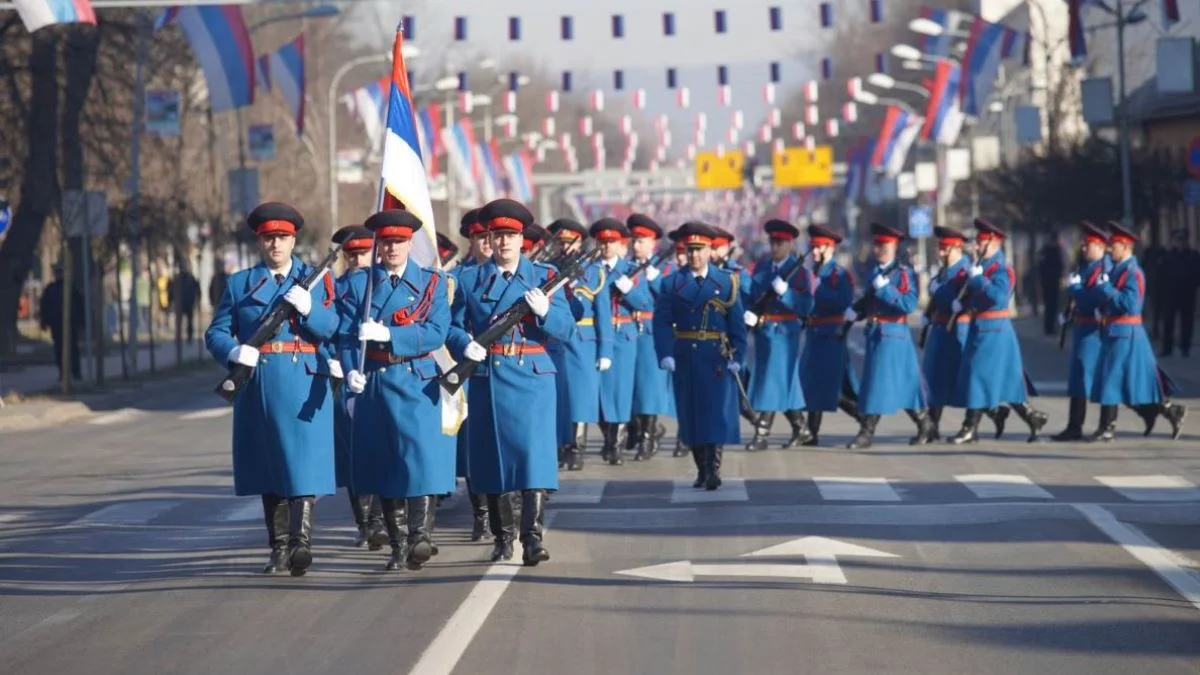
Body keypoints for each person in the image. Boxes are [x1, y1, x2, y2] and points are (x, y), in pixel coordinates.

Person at [204, 202, 339, 576]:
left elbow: (334, 328)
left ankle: (302, 543)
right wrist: (234, 350)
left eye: (282, 237)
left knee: (303, 466)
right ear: (260, 242)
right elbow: (215, 332)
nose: (275, 245)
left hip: (304, 377)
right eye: (268, 238)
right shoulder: (240, 283)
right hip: (260, 380)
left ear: (293, 239)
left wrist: (311, 308)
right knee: (270, 468)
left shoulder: (318, 280)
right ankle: (278, 547)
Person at [447, 198, 575, 565]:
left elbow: (565, 330)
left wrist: (547, 311)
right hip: (490, 375)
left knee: (533, 458)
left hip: (533, 376)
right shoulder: (469, 279)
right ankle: (503, 536)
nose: (503, 243)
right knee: (493, 460)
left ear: (523, 239)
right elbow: (452, 326)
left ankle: (532, 537)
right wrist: (465, 344)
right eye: (497, 235)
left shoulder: (545, 277)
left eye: (510, 235)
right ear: (488, 238)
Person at [338, 210, 453, 572]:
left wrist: (390, 335)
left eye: (399, 242)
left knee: (419, 462)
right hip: (374, 380)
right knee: (384, 465)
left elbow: (436, 331)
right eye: (385, 242)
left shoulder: (432, 283)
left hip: (416, 379)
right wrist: (350, 369)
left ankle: (420, 536)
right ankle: (399, 544)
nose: (392, 248)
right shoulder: (360, 285)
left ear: (409, 243)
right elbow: (343, 336)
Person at [654, 222, 747, 491]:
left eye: (700, 249)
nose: (694, 255)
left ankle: (713, 467)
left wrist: (738, 356)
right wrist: (665, 353)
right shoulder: (672, 282)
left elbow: (736, 324)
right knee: (691, 413)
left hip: (716, 356)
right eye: (690, 249)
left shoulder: (727, 281)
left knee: (714, 412)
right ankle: (701, 467)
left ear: (710, 251)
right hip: (686, 356)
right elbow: (661, 322)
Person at [948, 219, 1048, 444]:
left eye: (981, 242)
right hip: (981, 328)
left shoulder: (1002, 269)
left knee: (976, 375)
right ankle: (1032, 417)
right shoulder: (982, 267)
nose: (976, 247)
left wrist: (978, 280)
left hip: (994, 330)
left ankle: (969, 427)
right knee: (1002, 380)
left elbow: (997, 297)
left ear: (994, 243)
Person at [1087, 221, 1187, 440]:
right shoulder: (1117, 270)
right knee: (1122, 380)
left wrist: (1106, 289)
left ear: (1124, 246)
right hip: (1115, 330)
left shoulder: (1133, 272)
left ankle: (1108, 427)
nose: (1110, 249)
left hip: (1126, 331)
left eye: (1113, 245)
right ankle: (1163, 411)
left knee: (1113, 379)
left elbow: (1131, 304)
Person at [843, 223, 933, 448]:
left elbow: (909, 303)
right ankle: (925, 422)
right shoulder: (878, 271)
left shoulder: (903, 273)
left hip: (892, 334)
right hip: (876, 334)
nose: (878, 249)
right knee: (902, 383)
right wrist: (857, 310)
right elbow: (871, 300)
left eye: (883, 245)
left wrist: (885, 289)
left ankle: (867, 431)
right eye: (877, 245)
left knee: (877, 384)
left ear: (894, 247)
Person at [326, 224, 386, 549]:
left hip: (377, 374)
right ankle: (364, 522)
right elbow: (322, 330)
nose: (357, 260)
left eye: (363, 253)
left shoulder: (382, 285)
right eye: (351, 254)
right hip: (344, 378)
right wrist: (330, 358)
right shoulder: (334, 289)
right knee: (352, 455)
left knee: (380, 448)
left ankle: (379, 518)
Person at [742, 219, 814, 450]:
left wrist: (787, 294)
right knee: (783, 380)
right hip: (764, 332)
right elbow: (753, 295)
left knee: (771, 380)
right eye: (772, 242)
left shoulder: (799, 272)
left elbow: (806, 306)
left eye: (780, 243)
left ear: (790, 244)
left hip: (785, 333)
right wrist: (749, 313)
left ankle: (762, 431)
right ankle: (800, 427)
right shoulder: (763, 267)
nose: (775, 247)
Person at [546, 218, 612, 471]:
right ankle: (562, 445)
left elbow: (602, 313)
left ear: (580, 242)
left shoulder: (593, 271)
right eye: (561, 242)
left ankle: (577, 447)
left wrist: (605, 349)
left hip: (584, 341)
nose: (565, 248)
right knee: (561, 395)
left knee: (581, 397)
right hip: (556, 339)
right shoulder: (548, 268)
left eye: (569, 242)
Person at [592, 217, 655, 465]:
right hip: (596, 336)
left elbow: (646, 303)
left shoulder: (630, 270)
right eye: (602, 242)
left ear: (620, 244)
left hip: (624, 335)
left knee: (620, 390)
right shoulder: (591, 271)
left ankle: (614, 443)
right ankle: (608, 435)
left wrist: (629, 290)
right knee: (597, 391)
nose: (606, 246)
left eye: (611, 241)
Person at [799, 224, 861, 445]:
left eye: (817, 247)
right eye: (812, 247)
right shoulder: (812, 272)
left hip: (831, 334)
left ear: (829, 248)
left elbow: (843, 302)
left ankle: (863, 420)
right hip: (814, 334)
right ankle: (812, 432)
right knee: (813, 384)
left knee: (830, 388)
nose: (813, 252)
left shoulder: (838, 274)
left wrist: (817, 290)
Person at [1051, 221, 1113, 441]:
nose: (1084, 248)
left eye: (1088, 244)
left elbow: (1095, 298)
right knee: (1079, 377)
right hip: (1083, 327)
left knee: (1099, 378)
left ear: (1100, 246)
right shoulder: (1086, 267)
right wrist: (1068, 313)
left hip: (1095, 331)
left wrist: (1075, 290)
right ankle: (1074, 425)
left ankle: (1105, 425)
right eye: (1084, 244)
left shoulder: (1104, 268)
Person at [625, 213, 675, 460]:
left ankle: (648, 436)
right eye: (634, 240)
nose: (636, 245)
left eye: (642, 240)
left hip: (652, 332)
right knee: (632, 386)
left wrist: (655, 280)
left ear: (653, 243)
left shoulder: (664, 268)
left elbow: (671, 296)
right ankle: (641, 427)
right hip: (629, 333)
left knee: (650, 387)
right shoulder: (627, 266)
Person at [1157, 228, 1200, 358]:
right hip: (1171, 293)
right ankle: (1167, 347)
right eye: (1178, 239)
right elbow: (1161, 275)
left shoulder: (1193, 256)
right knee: (1168, 321)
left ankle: (1185, 347)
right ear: (1174, 241)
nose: (1180, 242)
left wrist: (1193, 285)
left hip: (1187, 293)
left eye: (1183, 240)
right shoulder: (1168, 256)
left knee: (1187, 321)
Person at [38, 262, 83, 381]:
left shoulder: (71, 288)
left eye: (61, 272)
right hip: (56, 324)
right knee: (59, 350)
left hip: (71, 324)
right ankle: (63, 373)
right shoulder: (50, 289)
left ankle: (76, 372)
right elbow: (44, 306)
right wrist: (43, 322)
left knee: (73, 349)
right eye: (57, 273)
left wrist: (81, 322)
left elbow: (79, 305)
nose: (59, 275)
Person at [1037, 231, 1065, 336]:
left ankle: (1051, 327)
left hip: (1051, 282)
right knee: (1051, 306)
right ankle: (1049, 328)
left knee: (1053, 306)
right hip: (1050, 283)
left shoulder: (1051, 250)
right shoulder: (1051, 251)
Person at [169, 264, 200, 343]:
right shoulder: (178, 278)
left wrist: (197, 299)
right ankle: (179, 337)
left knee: (188, 321)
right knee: (180, 322)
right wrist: (171, 300)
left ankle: (188, 337)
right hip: (182, 303)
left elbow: (197, 290)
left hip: (187, 302)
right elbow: (171, 290)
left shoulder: (191, 278)